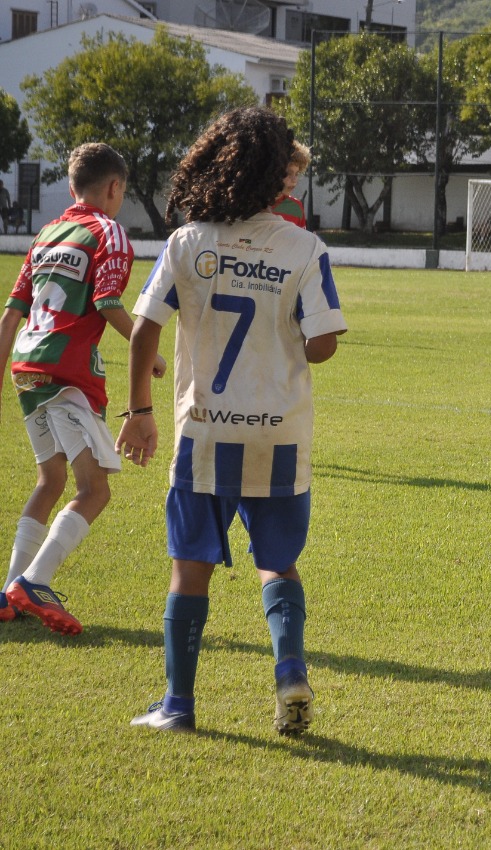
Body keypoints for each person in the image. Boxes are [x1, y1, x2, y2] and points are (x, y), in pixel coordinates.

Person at [119, 107, 347, 734]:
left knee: (189, 567)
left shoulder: (188, 241)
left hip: (205, 430)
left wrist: (139, 411)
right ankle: (290, 669)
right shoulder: (304, 248)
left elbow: (143, 331)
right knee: (278, 562)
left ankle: (177, 705)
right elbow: (324, 345)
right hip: (279, 433)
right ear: (277, 175)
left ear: (216, 163)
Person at [0, 143, 166, 633]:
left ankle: (8, 593)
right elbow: (109, 301)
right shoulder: (107, 231)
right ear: (114, 187)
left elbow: (11, 314)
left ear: (73, 186)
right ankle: (34, 582)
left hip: (27, 368)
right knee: (95, 489)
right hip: (67, 374)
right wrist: (149, 351)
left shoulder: (47, 234)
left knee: (50, 481)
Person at [270, 139, 311, 228]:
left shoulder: (296, 208)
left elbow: (300, 236)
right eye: (288, 173)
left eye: (296, 174)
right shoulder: (252, 207)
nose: (294, 180)